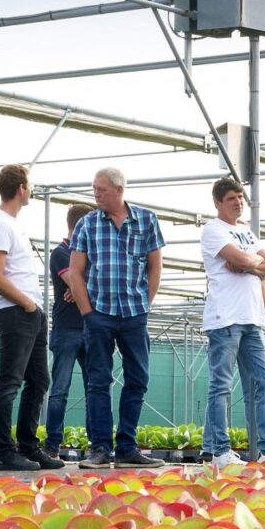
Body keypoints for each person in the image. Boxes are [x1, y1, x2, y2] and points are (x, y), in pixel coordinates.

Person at [68, 167, 167, 468]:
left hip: (134, 314)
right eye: (94, 188)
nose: (96, 194)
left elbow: (155, 267)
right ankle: (100, 448)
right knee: (98, 381)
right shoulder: (87, 224)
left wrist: (145, 304)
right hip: (99, 313)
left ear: (119, 190)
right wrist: (88, 313)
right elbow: (75, 272)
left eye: (101, 189)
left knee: (138, 378)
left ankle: (127, 448)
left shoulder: (146, 220)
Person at [0, 164, 62, 472]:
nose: (31, 190)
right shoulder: (0, 225)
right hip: (15, 311)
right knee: (10, 380)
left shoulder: (13, 225)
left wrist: (34, 309)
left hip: (30, 312)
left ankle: (28, 447)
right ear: (20, 189)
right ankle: (5, 451)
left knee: (39, 380)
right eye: (30, 186)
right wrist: (28, 305)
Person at [199, 175, 265, 466]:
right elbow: (247, 260)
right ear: (218, 202)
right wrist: (251, 263)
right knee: (221, 386)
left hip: (252, 318)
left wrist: (248, 265)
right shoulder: (213, 230)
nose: (238, 203)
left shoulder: (246, 231)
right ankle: (220, 451)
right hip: (225, 319)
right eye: (231, 198)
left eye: (240, 197)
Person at [43, 204, 92, 458]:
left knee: (94, 389)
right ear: (80, 226)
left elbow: (90, 281)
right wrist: (79, 284)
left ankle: (97, 444)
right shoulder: (61, 253)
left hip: (90, 327)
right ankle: (53, 444)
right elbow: (73, 280)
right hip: (66, 329)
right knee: (60, 389)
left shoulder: (91, 254)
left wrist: (80, 287)